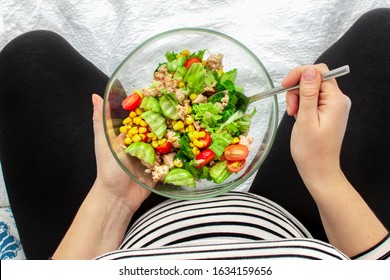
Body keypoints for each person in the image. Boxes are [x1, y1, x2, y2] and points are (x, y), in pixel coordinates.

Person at [0, 8, 389, 260]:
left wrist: (113, 198)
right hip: (301, 226)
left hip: (124, 229)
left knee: (30, 59)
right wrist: (322, 173)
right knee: (382, 34)